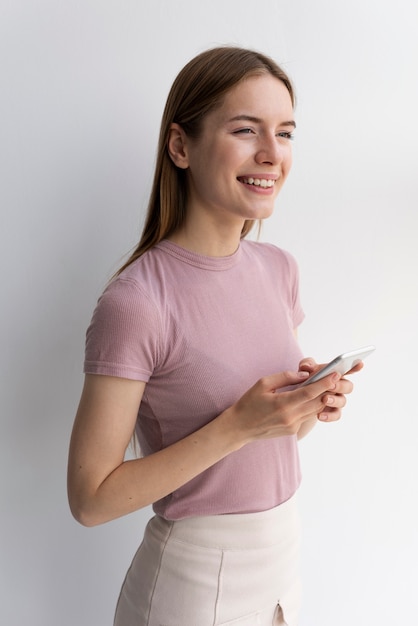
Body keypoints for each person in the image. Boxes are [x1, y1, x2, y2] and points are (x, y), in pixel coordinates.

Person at [67, 46, 362, 626]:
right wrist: (237, 425)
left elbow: (268, 440)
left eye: (286, 132)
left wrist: (306, 406)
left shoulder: (279, 268)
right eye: (246, 130)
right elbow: (91, 498)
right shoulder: (136, 302)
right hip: (194, 589)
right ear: (181, 146)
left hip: (283, 569)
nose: (272, 154)